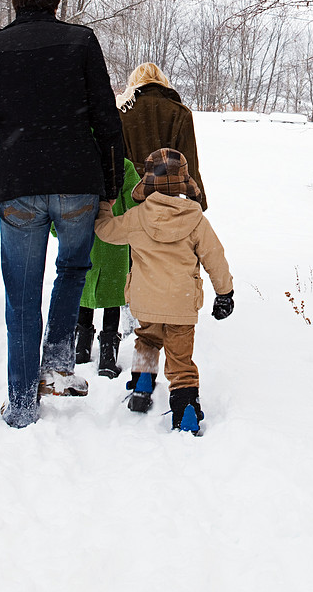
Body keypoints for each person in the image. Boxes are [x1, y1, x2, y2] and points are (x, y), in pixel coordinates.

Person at [0, 0, 124, 429]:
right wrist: (111, 185)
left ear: (15, 1)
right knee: (73, 269)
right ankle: (57, 361)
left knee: (22, 296)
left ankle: (23, 404)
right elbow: (107, 117)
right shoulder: (81, 42)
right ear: (56, 1)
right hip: (77, 182)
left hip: (18, 186)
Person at [93, 148, 234, 434]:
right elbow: (214, 257)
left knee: (147, 338)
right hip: (181, 305)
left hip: (145, 301)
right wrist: (225, 293)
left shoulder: (137, 217)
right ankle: (186, 411)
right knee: (180, 360)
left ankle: (143, 383)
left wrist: (103, 205)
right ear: (183, 183)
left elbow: (106, 231)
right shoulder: (195, 219)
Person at [75, 156, 140, 377]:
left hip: (82, 236)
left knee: (84, 293)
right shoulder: (121, 165)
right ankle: (107, 359)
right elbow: (134, 203)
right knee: (113, 296)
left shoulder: (75, 159)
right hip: (115, 240)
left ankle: (81, 351)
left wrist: (59, 230)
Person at [117, 63, 207, 210]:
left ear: (134, 81)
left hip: (132, 190)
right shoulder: (180, 112)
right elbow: (189, 161)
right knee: (166, 229)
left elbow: (117, 158)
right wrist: (199, 201)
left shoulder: (123, 112)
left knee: (133, 230)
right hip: (168, 191)